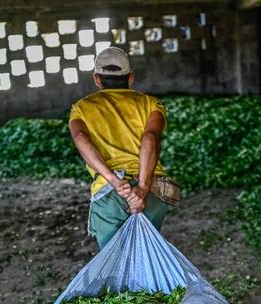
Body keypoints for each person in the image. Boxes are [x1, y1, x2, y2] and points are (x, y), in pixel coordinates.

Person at [68, 47, 178, 249]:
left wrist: (114, 181)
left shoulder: (81, 108)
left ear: (97, 79)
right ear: (130, 77)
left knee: (115, 264)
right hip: (152, 189)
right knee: (145, 255)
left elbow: (80, 137)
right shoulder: (151, 104)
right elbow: (151, 137)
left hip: (111, 193)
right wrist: (142, 189)